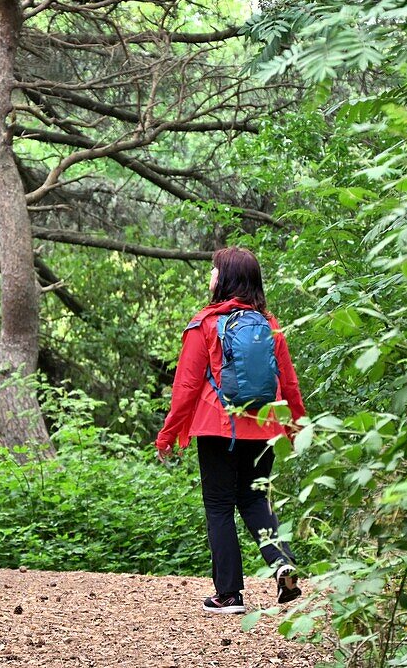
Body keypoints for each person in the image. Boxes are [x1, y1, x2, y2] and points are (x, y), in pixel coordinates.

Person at [156, 246, 306, 614]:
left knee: (219, 506)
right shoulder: (270, 327)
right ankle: (281, 561)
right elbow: (289, 384)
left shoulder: (204, 324)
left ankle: (228, 595)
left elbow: (186, 388)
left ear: (226, 279)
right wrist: (295, 426)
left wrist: (169, 434)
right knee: (255, 499)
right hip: (264, 428)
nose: (210, 276)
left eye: (214, 270)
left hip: (217, 427)